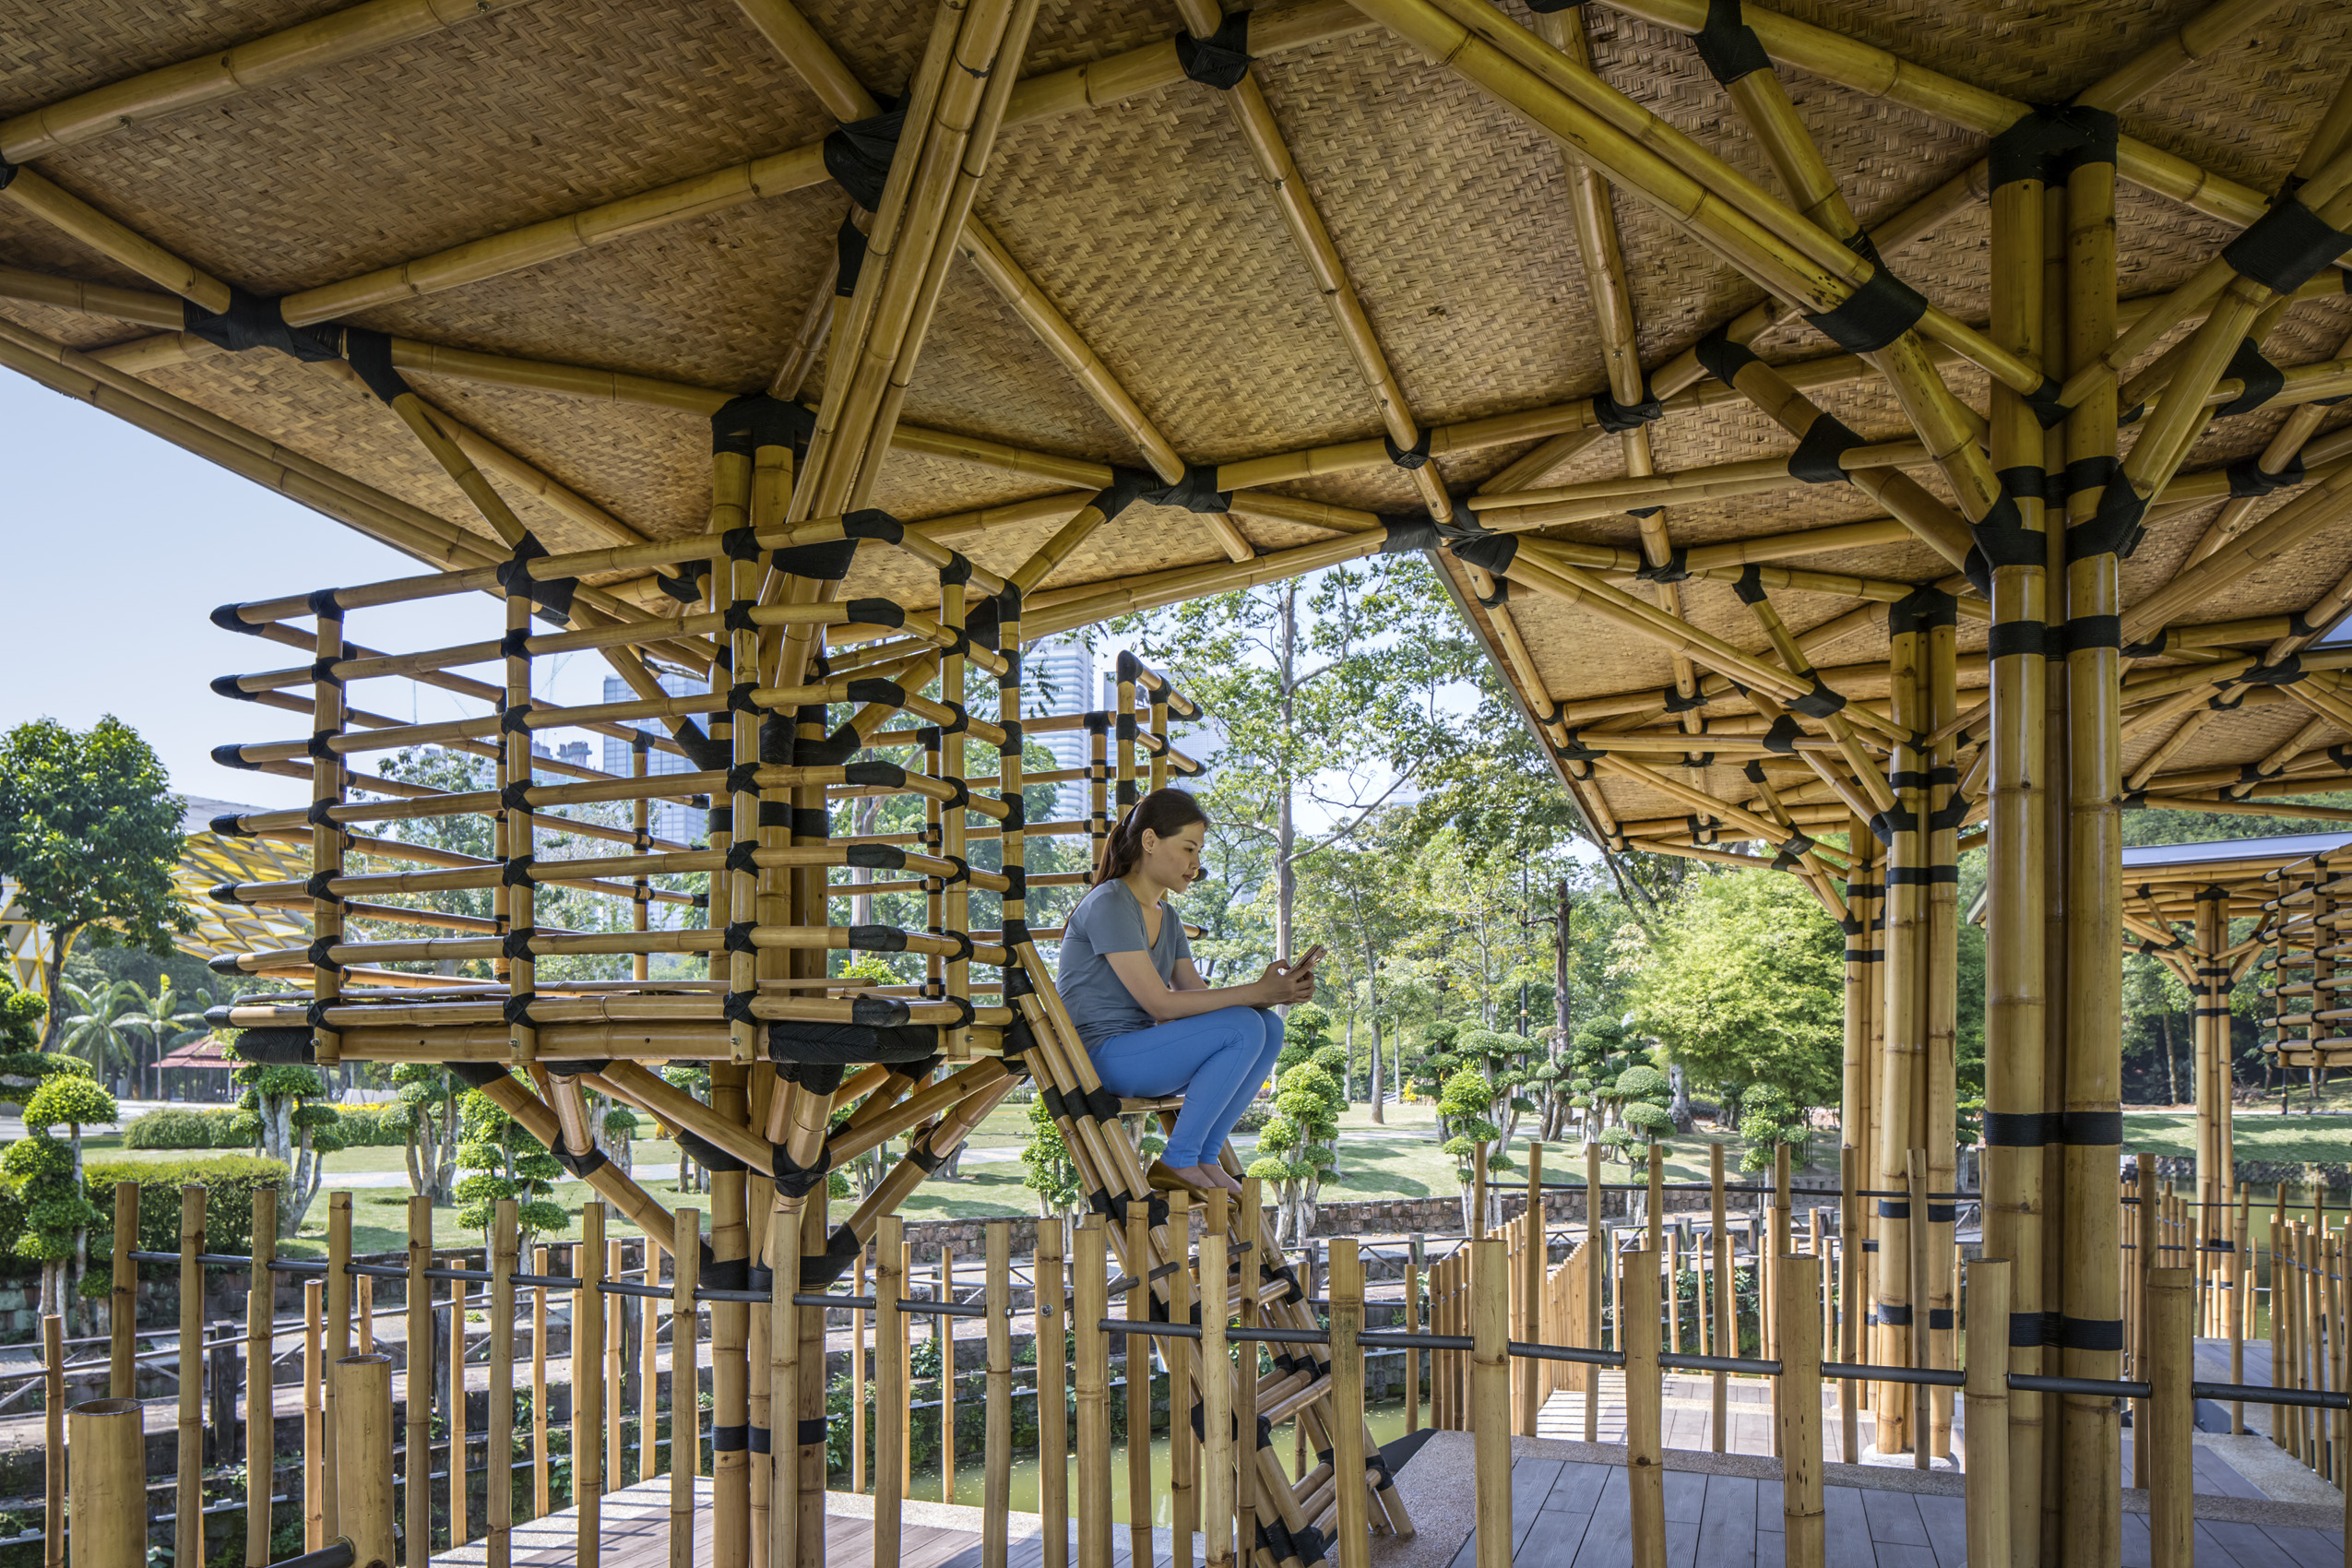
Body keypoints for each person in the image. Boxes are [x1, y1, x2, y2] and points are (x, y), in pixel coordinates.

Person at [1053, 787, 1318, 1204]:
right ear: (1151, 841)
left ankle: (1204, 1156)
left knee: (1266, 1024)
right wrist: (1256, 992)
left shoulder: (1167, 915)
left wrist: (1274, 993)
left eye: (1199, 852)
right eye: (1188, 849)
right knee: (1245, 1023)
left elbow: (1194, 997)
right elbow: (1160, 1005)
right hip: (1102, 1057)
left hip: (1142, 1054)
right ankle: (1179, 1160)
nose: (1196, 865)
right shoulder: (1109, 903)